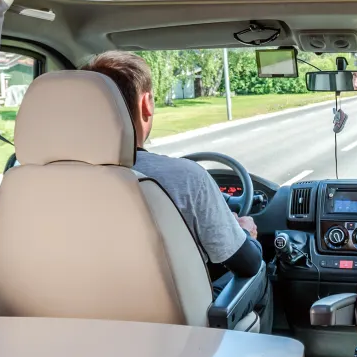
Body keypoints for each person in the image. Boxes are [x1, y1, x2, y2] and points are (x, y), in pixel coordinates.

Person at [86, 51, 263, 278]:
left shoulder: (37, 187)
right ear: (146, 104)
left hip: (56, 314)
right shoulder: (187, 178)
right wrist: (244, 231)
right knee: (260, 275)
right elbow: (247, 264)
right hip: (170, 314)